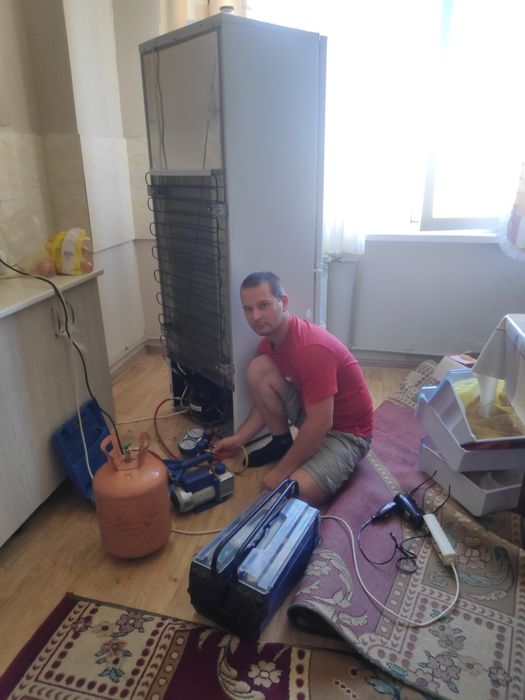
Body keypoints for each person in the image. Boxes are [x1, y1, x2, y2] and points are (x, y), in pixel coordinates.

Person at [212, 271, 374, 506]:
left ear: (284, 302)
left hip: (348, 433)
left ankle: (317, 461)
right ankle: (281, 443)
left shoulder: (312, 349)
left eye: (263, 305)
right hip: (314, 415)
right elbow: (264, 404)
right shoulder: (268, 345)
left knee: (292, 491)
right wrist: (238, 439)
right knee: (259, 369)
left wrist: (280, 471)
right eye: (248, 309)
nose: (255, 316)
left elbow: (321, 424)